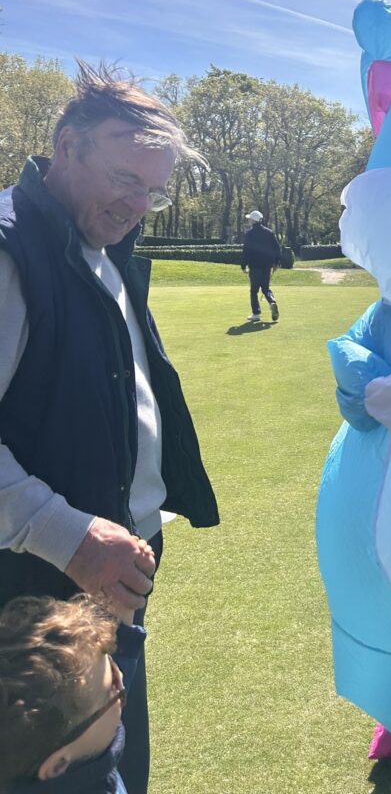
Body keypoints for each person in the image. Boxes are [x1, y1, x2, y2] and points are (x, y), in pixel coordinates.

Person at [0, 63, 219, 794]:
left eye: (154, 191)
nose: (139, 204)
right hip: (33, 579)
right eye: (126, 178)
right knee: (54, 775)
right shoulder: (9, 249)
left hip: (110, 567)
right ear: (67, 146)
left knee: (113, 763)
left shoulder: (101, 250)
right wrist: (68, 535)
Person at [0, 592, 147, 794]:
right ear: (58, 765)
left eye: (111, 663)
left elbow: (101, 696)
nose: (120, 677)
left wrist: (125, 599)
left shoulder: (75, 737)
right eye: (115, 690)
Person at [240, 209, 281, 323]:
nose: (248, 221)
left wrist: (243, 266)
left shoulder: (249, 234)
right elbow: (277, 248)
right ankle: (271, 301)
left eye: (250, 219)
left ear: (253, 221)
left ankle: (256, 313)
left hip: (255, 266)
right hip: (267, 265)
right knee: (266, 288)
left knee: (254, 290)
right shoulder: (269, 232)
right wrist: (277, 262)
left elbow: (246, 252)